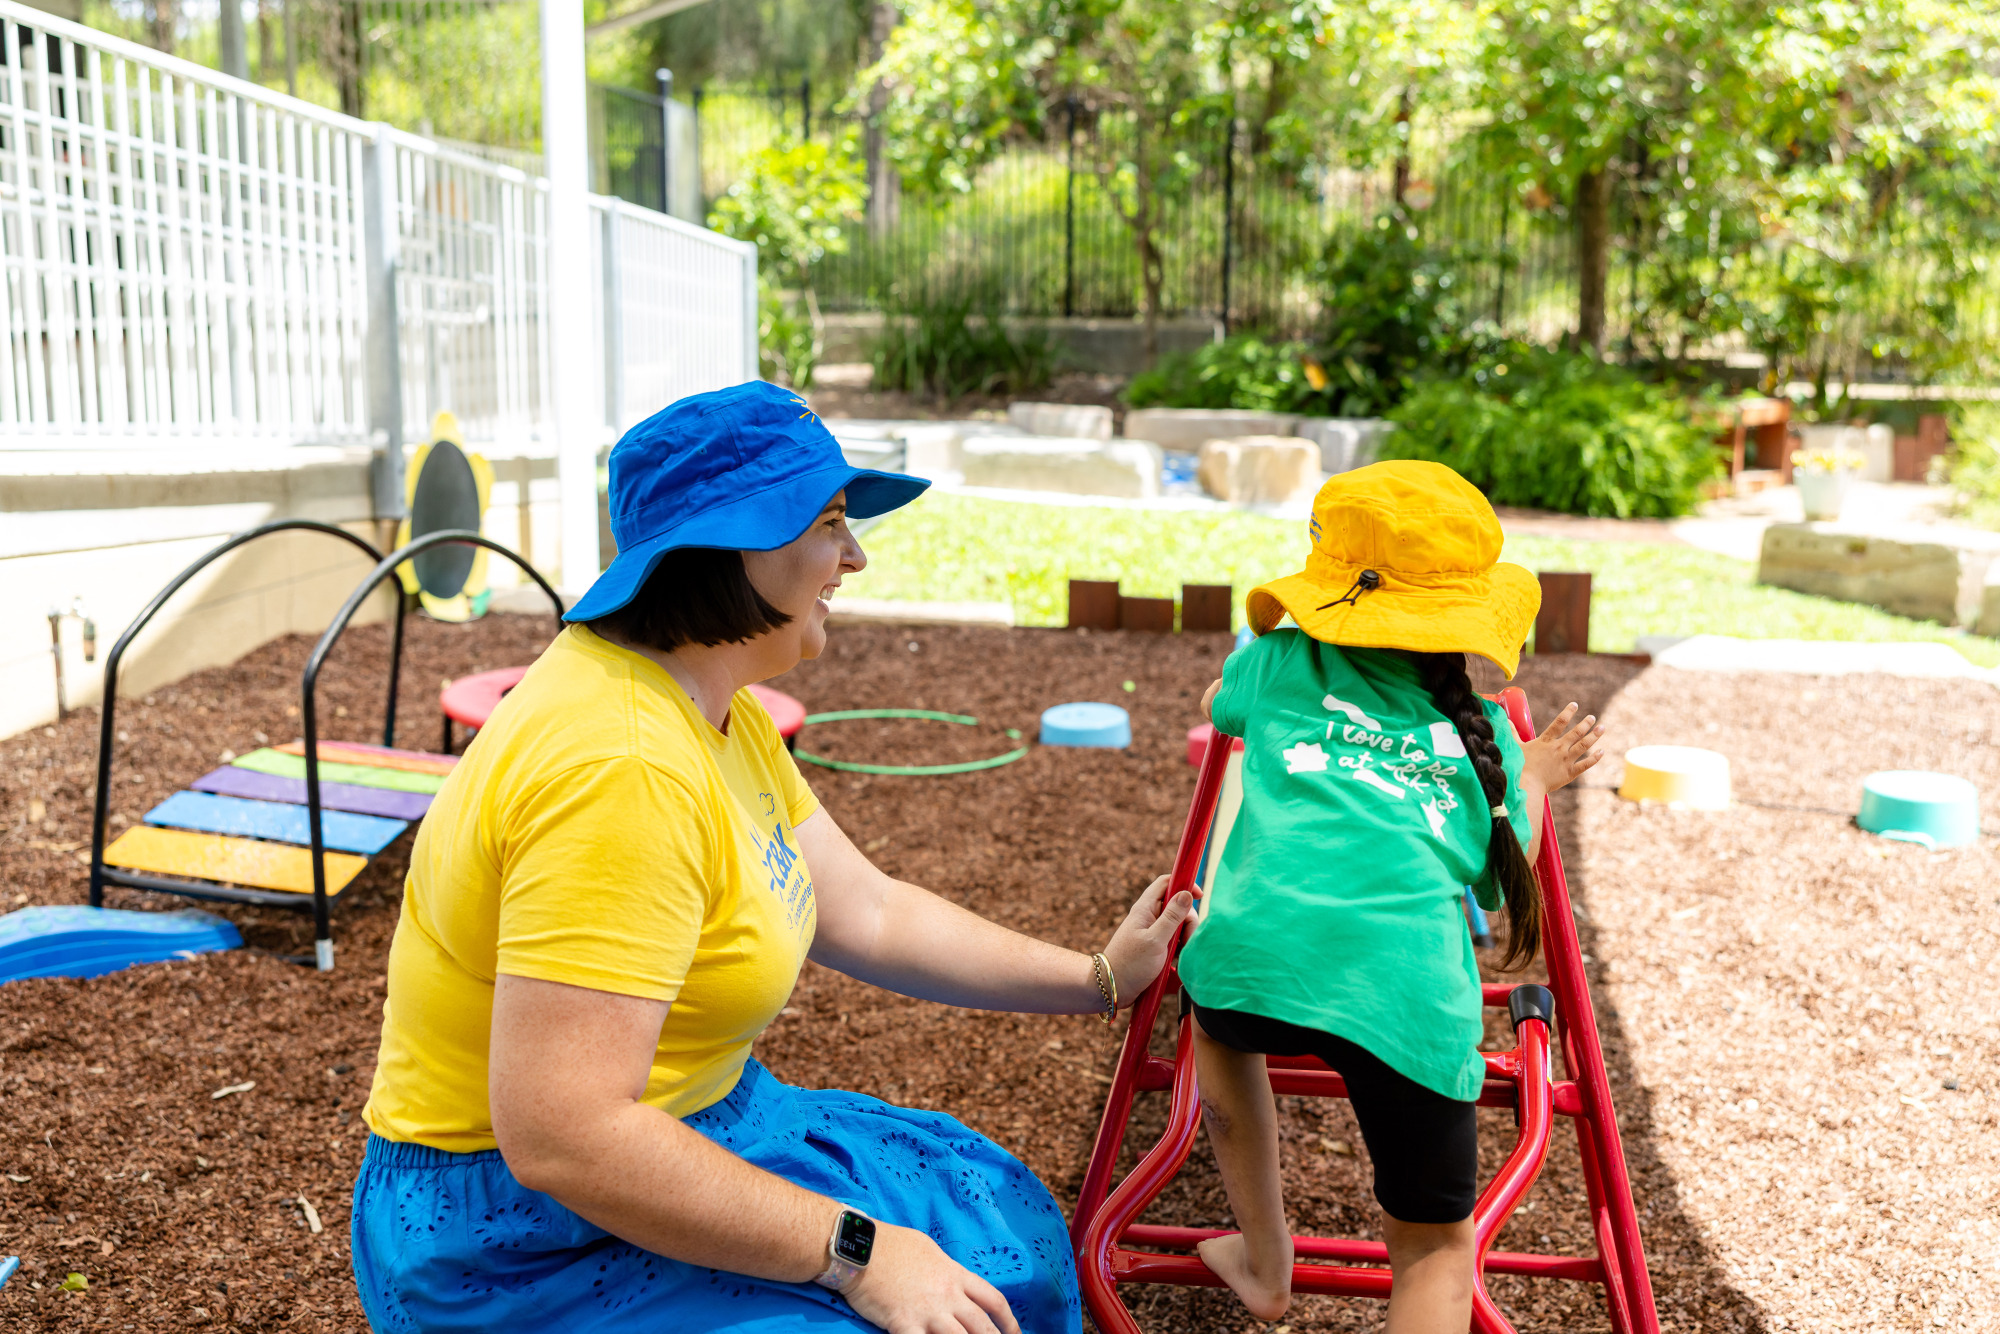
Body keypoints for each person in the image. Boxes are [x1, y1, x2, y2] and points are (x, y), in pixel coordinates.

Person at [349, 381, 1196, 1334]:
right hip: (520, 1238)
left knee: (1006, 1243)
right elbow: (565, 1139)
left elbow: (867, 909)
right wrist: (859, 1254)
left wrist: (1095, 978)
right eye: (830, 522)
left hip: (693, 1131)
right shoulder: (621, 769)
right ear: (729, 543)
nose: (857, 555)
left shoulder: (713, 704)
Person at [1176, 461, 1605, 1331]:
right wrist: (1538, 775)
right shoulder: (1481, 735)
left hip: (1250, 967)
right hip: (1406, 1002)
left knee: (1216, 1037)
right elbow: (1498, 873)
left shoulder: (1278, 658)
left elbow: (1220, 704)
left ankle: (1266, 1260)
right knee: (1438, 1255)